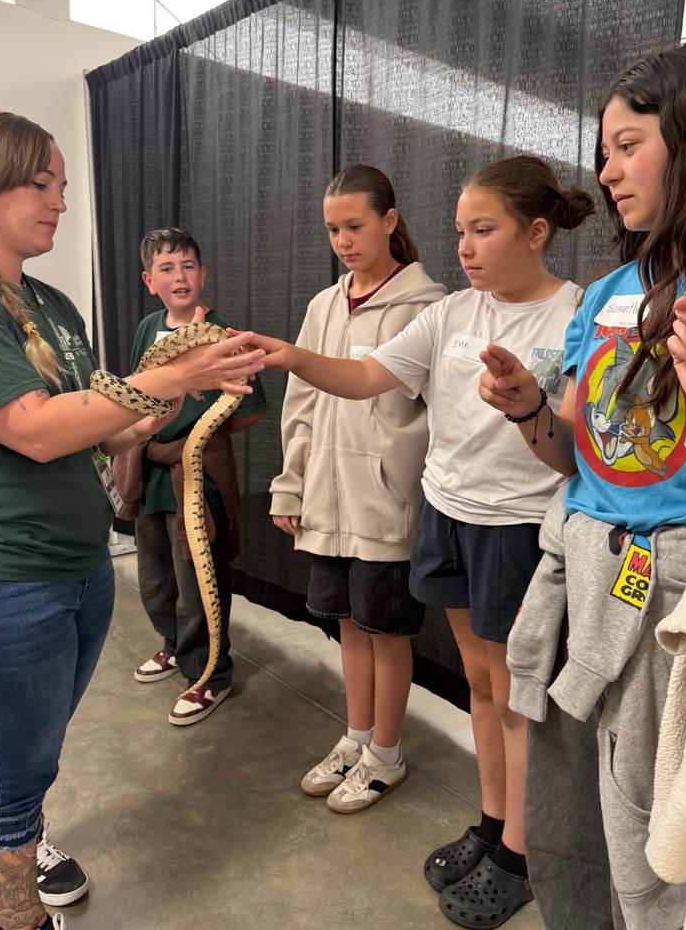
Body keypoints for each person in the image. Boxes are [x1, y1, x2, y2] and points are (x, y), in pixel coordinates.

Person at [238, 155, 592, 927]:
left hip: (518, 529)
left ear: (536, 232)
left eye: (484, 230)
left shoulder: (576, 316)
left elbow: (578, 446)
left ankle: (522, 853)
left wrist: (531, 405)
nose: (464, 247)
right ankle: (494, 822)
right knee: (478, 682)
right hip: (447, 513)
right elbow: (369, 377)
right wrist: (290, 355)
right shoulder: (453, 313)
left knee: (515, 697)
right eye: (461, 230)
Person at [0, 112, 265, 930]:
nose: (59, 201)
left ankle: (29, 830)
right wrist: (172, 378)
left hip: (78, 563)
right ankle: (19, 897)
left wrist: (182, 397)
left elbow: (103, 419)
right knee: (8, 767)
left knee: (32, 749)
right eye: (41, 183)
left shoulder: (52, 302)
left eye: (62, 183)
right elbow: (29, 428)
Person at [478, 38, 686, 930]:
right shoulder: (605, 294)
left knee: (664, 847)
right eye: (604, 149)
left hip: (680, 608)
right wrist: (527, 414)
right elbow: (574, 459)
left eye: (630, 145)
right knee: (566, 824)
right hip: (581, 582)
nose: (608, 170)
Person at [269, 164, 445, 813]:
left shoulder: (427, 307)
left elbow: (433, 414)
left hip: (385, 501)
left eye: (355, 225)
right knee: (348, 625)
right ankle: (357, 736)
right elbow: (300, 399)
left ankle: (386, 755)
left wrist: (396, 475)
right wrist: (291, 485)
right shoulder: (323, 305)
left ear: (389, 221)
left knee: (386, 629)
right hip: (326, 497)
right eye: (332, 229)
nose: (342, 240)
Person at [123, 227, 266, 726]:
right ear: (149, 280)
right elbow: (136, 393)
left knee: (199, 579)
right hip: (152, 476)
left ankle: (210, 673)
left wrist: (201, 435)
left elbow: (250, 410)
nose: (179, 276)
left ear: (202, 274)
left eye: (187, 266)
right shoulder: (148, 329)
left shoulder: (224, 336)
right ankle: (174, 646)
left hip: (197, 478)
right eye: (166, 268)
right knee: (156, 577)